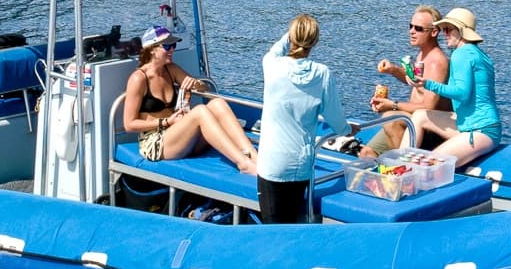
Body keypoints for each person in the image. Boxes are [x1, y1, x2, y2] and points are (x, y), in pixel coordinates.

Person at [123, 27, 256, 174]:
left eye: (174, 45)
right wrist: (166, 122)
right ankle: (243, 163)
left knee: (218, 104)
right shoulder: (138, 78)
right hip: (156, 144)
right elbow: (129, 124)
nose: (172, 49)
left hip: (180, 137)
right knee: (199, 111)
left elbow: (205, 88)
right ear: (152, 49)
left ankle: (254, 157)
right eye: (167, 46)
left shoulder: (171, 69)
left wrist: (195, 83)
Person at [256, 14, 348, 223]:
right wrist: (347, 130)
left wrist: (290, 35)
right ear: (315, 42)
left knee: (273, 228)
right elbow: (335, 117)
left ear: (291, 37)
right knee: (294, 225)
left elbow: (276, 50)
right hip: (300, 165)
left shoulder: (272, 65)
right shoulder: (323, 74)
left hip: (273, 164)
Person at [409, 7, 501, 165]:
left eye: (448, 29)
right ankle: (403, 162)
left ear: (461, 31)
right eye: (444, 29)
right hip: (475, 125)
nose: (444, 34)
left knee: (427, 163)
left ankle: (406, 171)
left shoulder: (461, 54)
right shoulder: (478, 54)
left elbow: (462, 93)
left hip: (479, 130)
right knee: (420, 115)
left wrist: (428, 84)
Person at [362, 5, 452, 157]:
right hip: (411, 119)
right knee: (367, 153)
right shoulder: (422, 55)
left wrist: (392, 105)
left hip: (430, 128)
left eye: (418, 28)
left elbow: (428, 106)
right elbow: (414, 81)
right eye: (411, 26)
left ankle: (404, 169)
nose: (411, 31)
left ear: (434, 32)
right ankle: (383, 178)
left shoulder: (437, 62)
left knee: (390, 118)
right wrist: (393, 69)